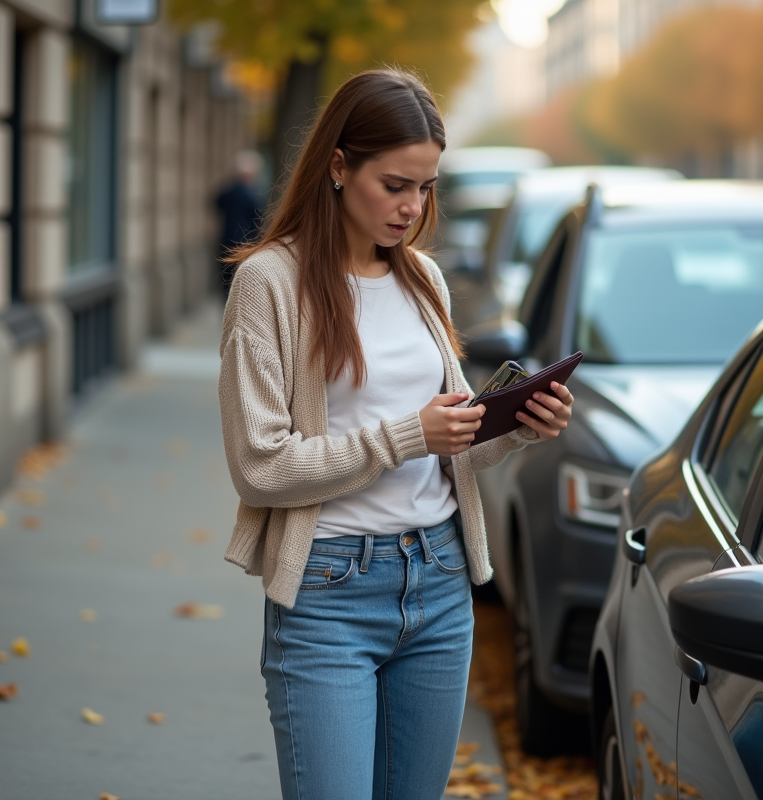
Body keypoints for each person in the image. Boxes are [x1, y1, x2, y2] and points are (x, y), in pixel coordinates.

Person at [217, 68, 573, 799]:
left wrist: (516, 428)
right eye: (396, 184)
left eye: (427, 187)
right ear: (339, 167)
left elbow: (451, 442)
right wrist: (405, 436)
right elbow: (260, 465)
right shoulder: (270, 286)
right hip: (327, 593)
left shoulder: (423, 281)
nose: (413, 207)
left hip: (439, 585)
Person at [214, 150, 266, 300]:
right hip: (245, 244)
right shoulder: (253, 195)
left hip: (226, 242)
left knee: (226, 283)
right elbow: (259, 217)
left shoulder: (227, 192)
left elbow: (217, 204)